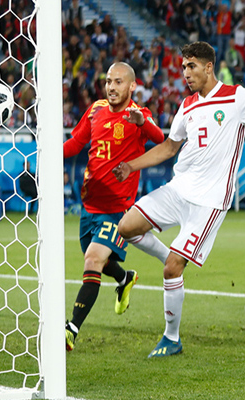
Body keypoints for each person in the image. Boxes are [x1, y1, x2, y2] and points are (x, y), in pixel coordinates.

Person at [112, 42, 245, 357]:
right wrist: (131, 165)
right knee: (126, 227)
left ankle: (171, 338)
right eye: (183, 67)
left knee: (171, 270)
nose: (185, 73)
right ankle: (173, 254)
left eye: (191, 66)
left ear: (209, 67)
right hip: (178, 188)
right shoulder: (188, 105)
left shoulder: (238, 96)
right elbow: (169, 148)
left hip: (209, 200)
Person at [62, 62, 165, 351]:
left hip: (118, 209)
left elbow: (160, 139)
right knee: (100, 262)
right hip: (90, 205)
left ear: (132, 86)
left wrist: (141, 123)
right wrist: (46, 154)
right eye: (108, 81)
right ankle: (125, 277)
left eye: (119, 82)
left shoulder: (139, 115)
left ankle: (71, 329)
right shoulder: (95, 110)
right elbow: (75, 143)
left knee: (92, 260)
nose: (111, 87)